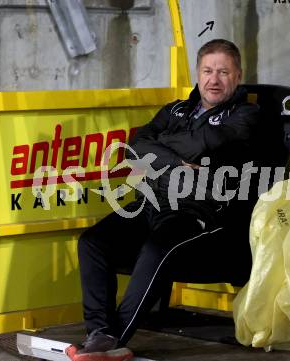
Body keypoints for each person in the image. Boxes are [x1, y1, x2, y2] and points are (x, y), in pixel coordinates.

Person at [66, 39, 259, 361]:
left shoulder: (246, 115)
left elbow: (205, 143)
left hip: (201, 209)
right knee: (92, 242)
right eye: (208, 71)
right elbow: (136, 143)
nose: (214, 80)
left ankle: (113, 340)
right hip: (152, 200)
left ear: (237, 75)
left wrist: (160, 147)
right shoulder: (176, 109)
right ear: (197, 74)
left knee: (157, 249)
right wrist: (174, 160)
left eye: (223, 72)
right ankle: (99, 332)